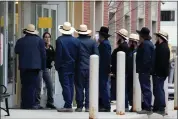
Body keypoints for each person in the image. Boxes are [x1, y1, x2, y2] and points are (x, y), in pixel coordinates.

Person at [15, 24, 46, 109]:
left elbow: (16, 51)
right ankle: (32, 104)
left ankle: (24, 103)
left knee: (24, 85)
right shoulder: (40, 41)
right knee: (33, 86)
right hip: (35, 67)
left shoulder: (20, 41)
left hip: (23, 66)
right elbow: (43, 55)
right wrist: (43, 67)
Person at [55, 22, 80, 112]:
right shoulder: (76, 40)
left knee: (65, 85)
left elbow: (59, 55)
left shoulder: (60, 40)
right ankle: (69, 103)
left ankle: (68, 104)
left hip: (63, 66)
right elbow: (78, 54)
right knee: (70, 85)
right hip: (73, 65)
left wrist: (57, 66)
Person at [74, 24, 99, 112]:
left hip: (79, 67)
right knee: (89, 87)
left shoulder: (76, 41)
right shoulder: (92, 42)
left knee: (79, 87)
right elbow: (96, 54)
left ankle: (79, 106)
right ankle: (88, 106)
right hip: (90, 67)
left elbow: (74, 55)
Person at [136, 27, 155, 114]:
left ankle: (147, 107)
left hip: (144, 70)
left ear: (142, 36)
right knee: (146, 88)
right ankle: (147, 106)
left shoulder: (146, 44)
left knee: (145, 88)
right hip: (145, 70)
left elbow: (146, 58)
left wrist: (143, 68)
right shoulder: (148, 44)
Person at [111, 29, 129, 112]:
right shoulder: (122, 45)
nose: (117, 36)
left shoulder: (123, 46)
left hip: (121, 71)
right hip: (120, 70)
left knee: (122, 89)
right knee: (121, 89)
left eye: (118, 35)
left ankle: (123, 106)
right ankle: (123, 106)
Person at [36, 32, 56, 109]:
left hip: (46, 68)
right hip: (40, 67)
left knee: (50, 85)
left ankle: (50, 102)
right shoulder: (41, 47)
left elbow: (53, 57)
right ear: (43, 38)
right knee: (38, 85)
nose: (47, 38)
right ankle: (37, 102)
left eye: (48, 37)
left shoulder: (51, 47)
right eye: (45, 37)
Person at [152, 30, 170, 115]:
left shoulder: (163, 48)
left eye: (157, 36)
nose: (156, 38)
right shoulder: (161, 46)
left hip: (160, 73)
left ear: (161, 37)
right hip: (159, 72)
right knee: (157, 90)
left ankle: (161, 107)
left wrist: (158, 73)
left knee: (159, 90)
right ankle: (156, 107)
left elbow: (162, 62)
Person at [97, 26, 111, 112]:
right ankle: (104, 104)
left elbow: (106, 58)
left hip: (103, 68)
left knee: (104, 86)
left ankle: (106, 105)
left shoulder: (105, 44)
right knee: (103, 86)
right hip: (103, 68)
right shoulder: (105, 43)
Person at [127, 33, 139, 112]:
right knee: (130, 90)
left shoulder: (136, 51)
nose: (129, 43)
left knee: (133, 90)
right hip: (130, 73)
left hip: (134, 73)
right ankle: (131, 104)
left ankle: (134, 104)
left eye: (130, 41)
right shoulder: (130, 50)